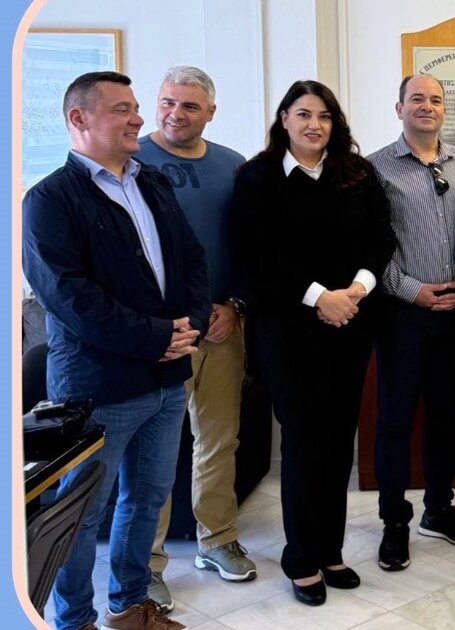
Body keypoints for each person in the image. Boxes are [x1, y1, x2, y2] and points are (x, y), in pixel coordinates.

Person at [23, 70, 209, 630]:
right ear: (79, 119)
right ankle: (74, 620)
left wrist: (190, 326)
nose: (138, 119)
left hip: (166, 380)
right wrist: (156, 337)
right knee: (80, 514)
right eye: (122, 109)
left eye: (135, 107)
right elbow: (68, 297)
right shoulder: (49, 199)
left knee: (147, 499)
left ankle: (129, 608)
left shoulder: (151, 182)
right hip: (98, 387)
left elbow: (192, 261)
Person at [233, 80, 394, 606]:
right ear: (284, 118)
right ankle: (300, 557)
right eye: (303, 114)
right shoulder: (257, 177)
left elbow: (381, 238)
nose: (314, 125)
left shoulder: (356, 173)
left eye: (324, 116)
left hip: (349, 323)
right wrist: (319, 297)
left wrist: (356, 291)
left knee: (339, 439)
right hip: (287, 331)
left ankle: (330, 550)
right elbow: (257, 255)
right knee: (304, 443)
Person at [135, 66, 253, 614]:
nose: (175, 114)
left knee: (219, 439)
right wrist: (158, 324)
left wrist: (235, 305)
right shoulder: (131, 161)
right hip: (160, 334)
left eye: (188, 106)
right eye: (167, 102)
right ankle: (145, 564)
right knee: (154, 450)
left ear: (211, 112)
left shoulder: (233, 166)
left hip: (222, 326)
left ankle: (217, 539)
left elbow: (248, 246)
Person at [366, 74, 455, 572]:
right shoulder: (374, 168)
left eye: (435, 100)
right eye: (417, 99)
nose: (427, 106)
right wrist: (411, 289)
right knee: (395, 420)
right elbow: (371, 243)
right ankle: (394, 520)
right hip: (402, 313)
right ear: (399, 108)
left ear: (443, 110)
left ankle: (439, 509)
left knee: (446, 414)